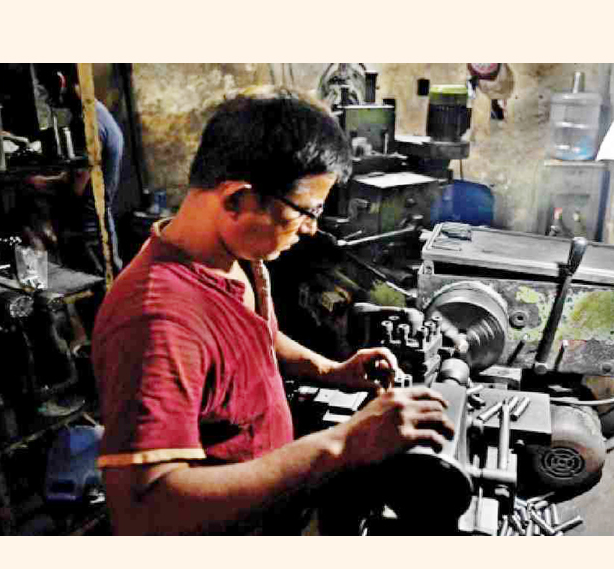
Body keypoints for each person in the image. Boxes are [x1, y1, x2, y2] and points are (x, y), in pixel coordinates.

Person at [91, 86, 454, 535]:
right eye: (306, 211)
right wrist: (344, 443)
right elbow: (145, 512)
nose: (312, 229)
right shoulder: (158, 321)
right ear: (238, 198)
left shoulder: (236, 254)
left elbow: (254, 333)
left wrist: (330, 370)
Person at [27, 67, 124, 275]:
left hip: (90, 235)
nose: (45, 97)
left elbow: (76, 188)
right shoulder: (94, 112)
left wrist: (37, 183)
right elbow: (77, 175)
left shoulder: (88, 124)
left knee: (100, 295)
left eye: (44, 89)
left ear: (60, 81)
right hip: (95, 229)